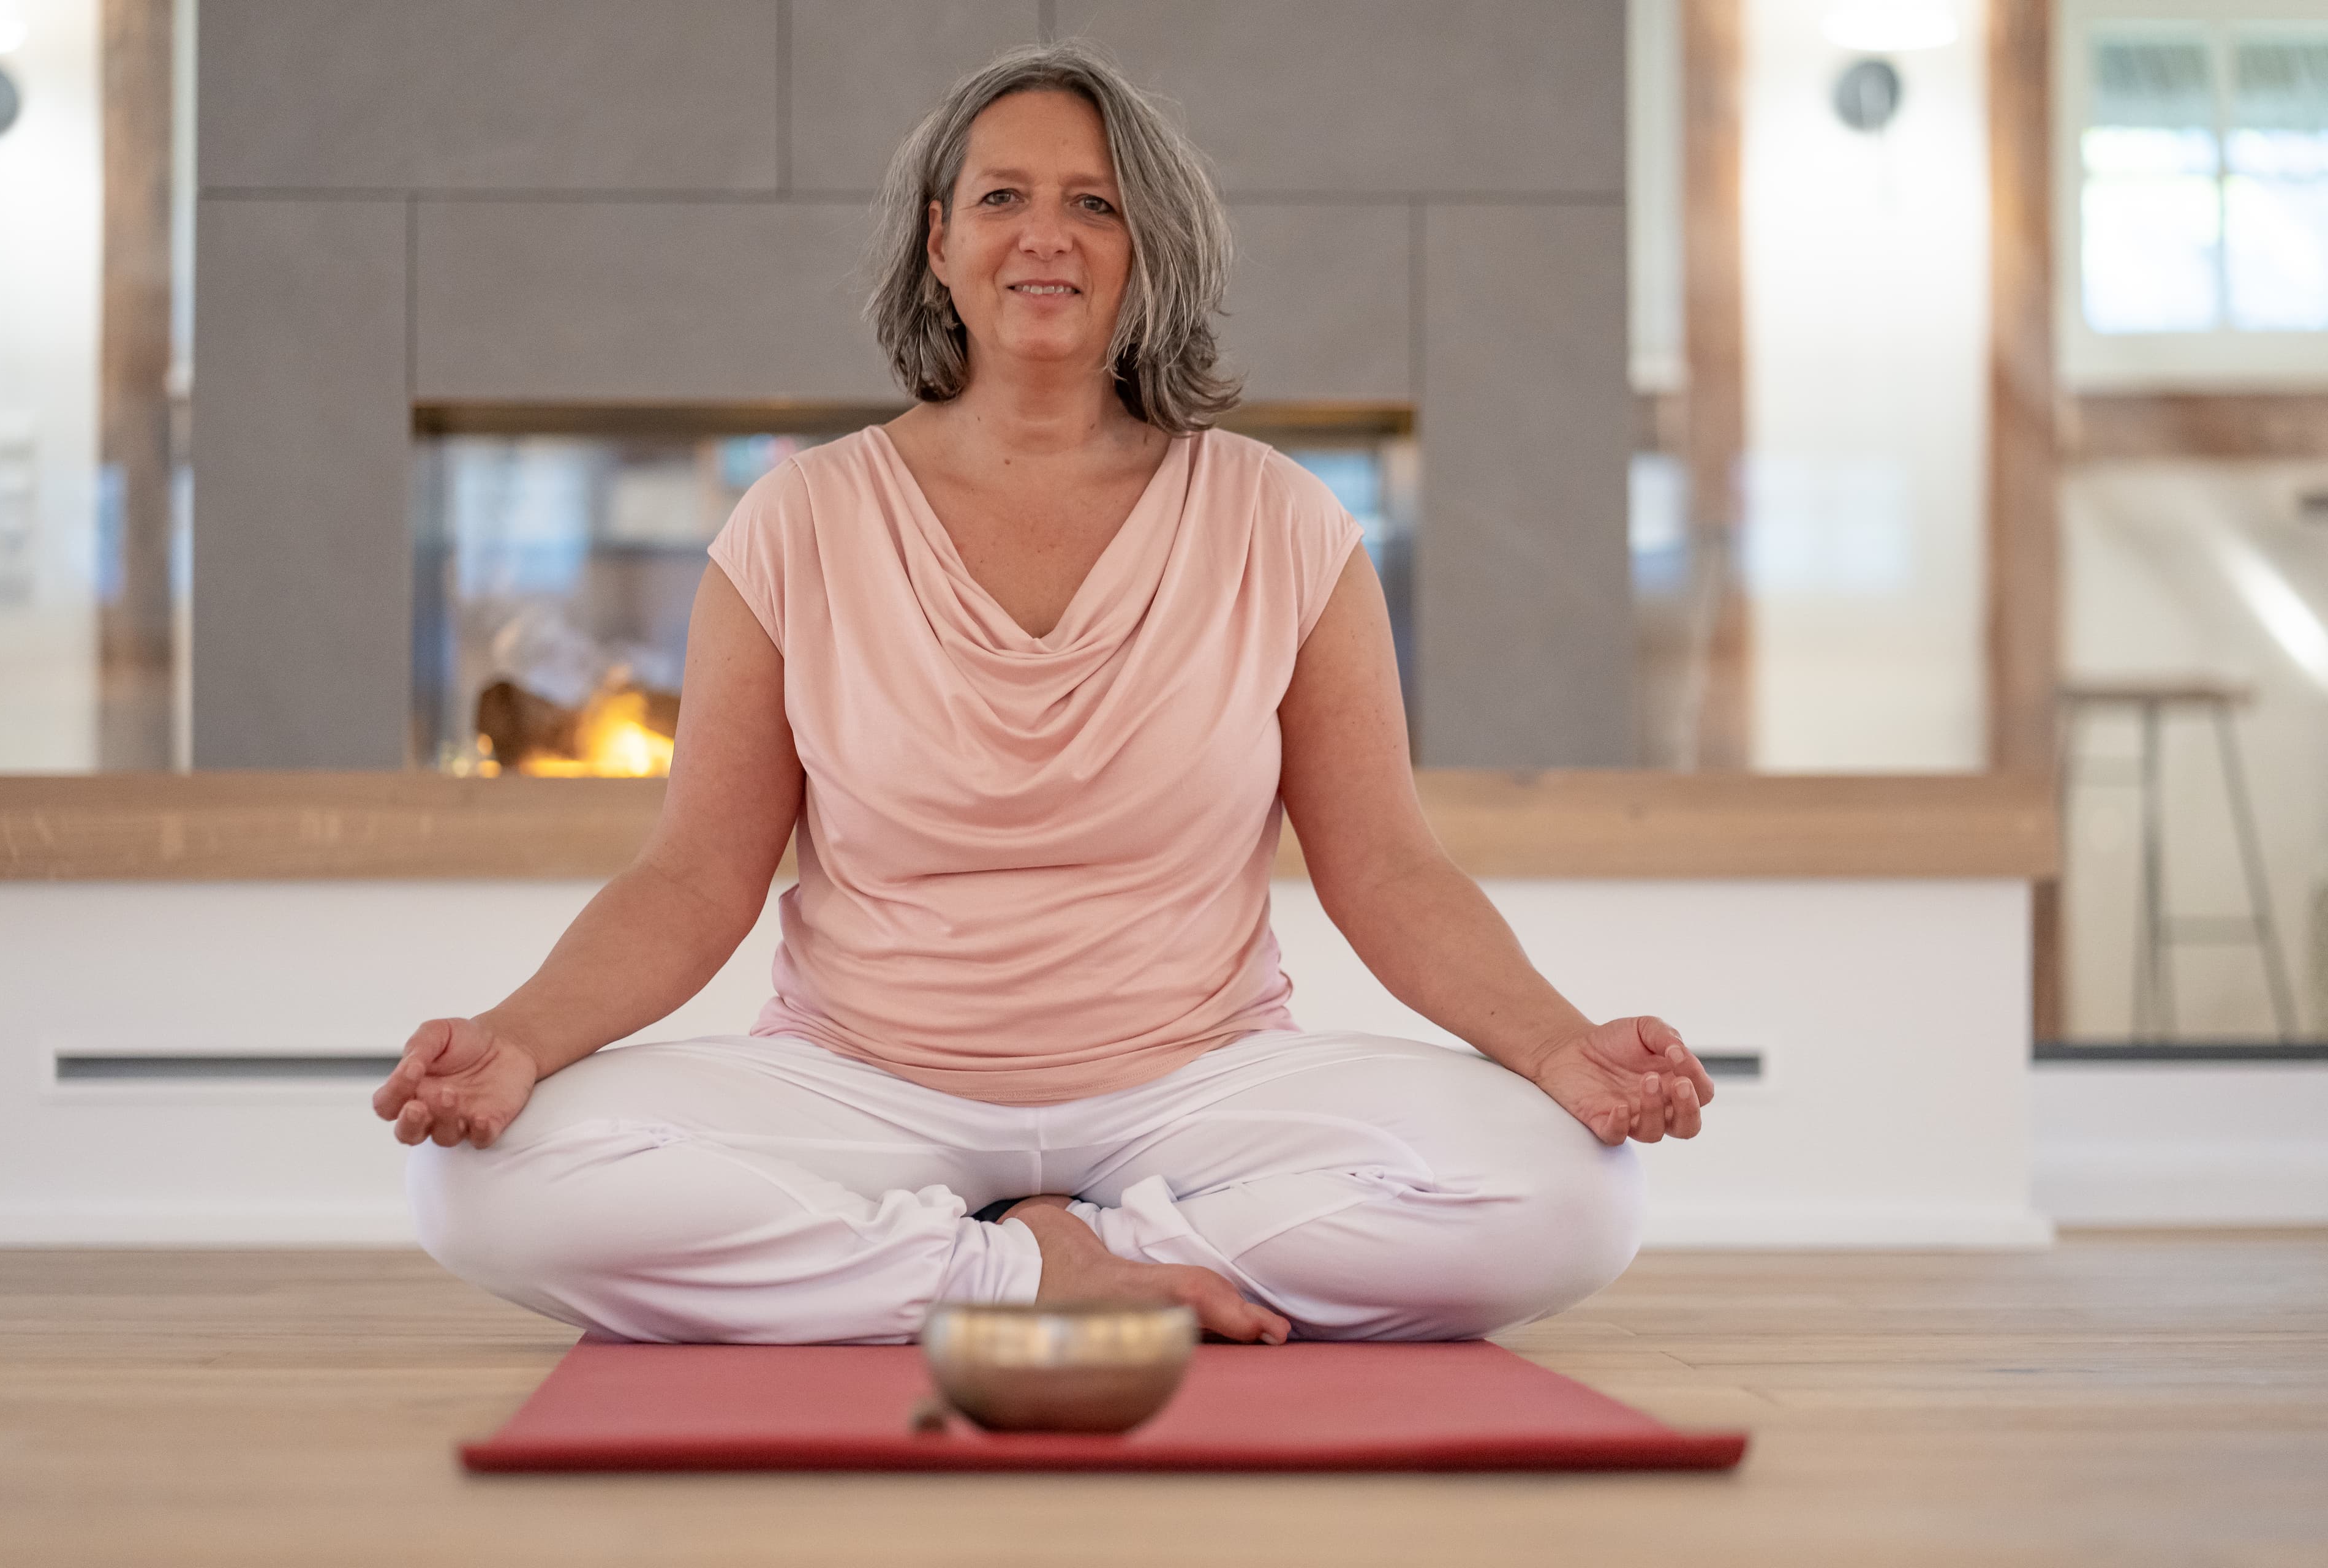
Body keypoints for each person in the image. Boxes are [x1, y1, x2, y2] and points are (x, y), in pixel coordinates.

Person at [375, 39, 1713, 1348]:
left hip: (1196, 1087)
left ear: (1148, 246)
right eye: (1003, 196)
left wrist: (1558, 1046)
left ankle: (1088, 1254)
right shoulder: (797, 521)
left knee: (1573, 1198)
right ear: (939, 238)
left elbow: (1388, 868)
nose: (1046, 236)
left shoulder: (1283, 521)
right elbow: (691, 878)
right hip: (865, 1086)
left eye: (1095, 204)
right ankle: (1025, 1269)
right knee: (478, 1186)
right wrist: (517, 1038)